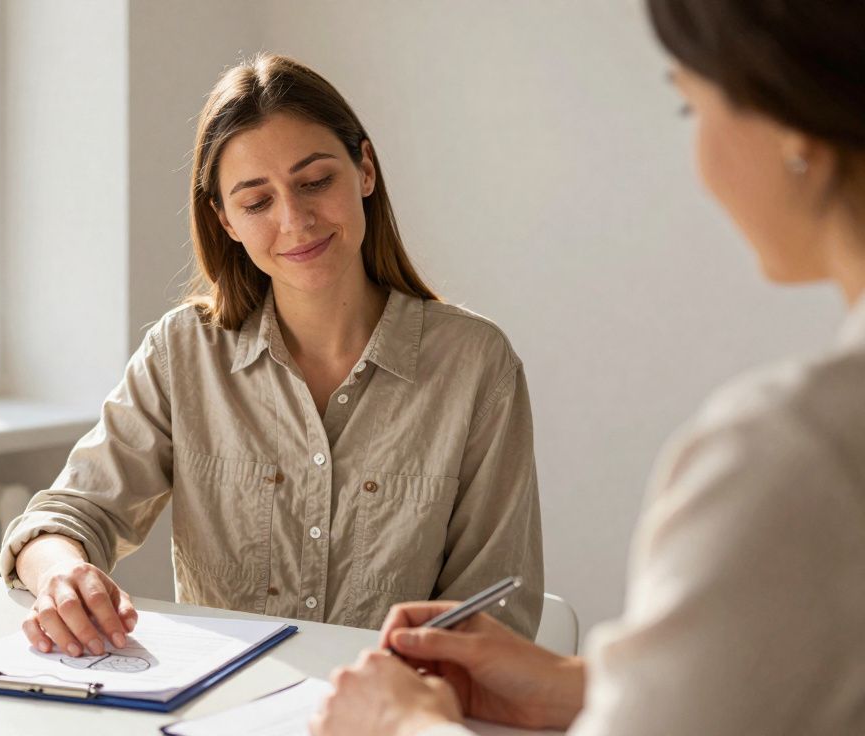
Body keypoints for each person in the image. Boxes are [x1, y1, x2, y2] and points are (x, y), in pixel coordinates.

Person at [312, 2, 865, 734]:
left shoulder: (789, 460)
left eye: (691, 106)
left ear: (792, 127)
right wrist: (581, 687)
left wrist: (402, 724)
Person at [0, 54, 545, 660]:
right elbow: (67, 516)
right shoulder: (184, 352)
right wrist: (61, 574)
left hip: (395, 704)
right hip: (220, 702)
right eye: (257, 202)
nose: (295, 220)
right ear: (225, 220)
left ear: (364, 169)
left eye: (315, 182)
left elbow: (493, 612)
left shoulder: (475, 364)